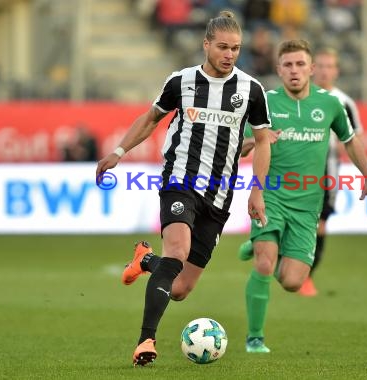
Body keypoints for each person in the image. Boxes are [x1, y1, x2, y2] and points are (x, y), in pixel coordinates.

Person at [95, 11, 271, 366]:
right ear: (206, 44)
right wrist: (118, 152)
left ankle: (145, 259)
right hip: (180, 180)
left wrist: (257, 190)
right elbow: (150, 119)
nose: (229, 54)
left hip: (220, 194)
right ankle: (146, 341)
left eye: (235, 48)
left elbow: (263, 142)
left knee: (179, 289)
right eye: (222, 47)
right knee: (177, 251)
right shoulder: (181, 82)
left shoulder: (251, 90)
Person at [238, 39, 367, 353]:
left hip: (307, 203)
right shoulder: (266, 102)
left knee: (292, 282)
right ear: (278, 69)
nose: (294, 70)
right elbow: (242, 146)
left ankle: (260, 245)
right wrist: (260, 140)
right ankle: (255, 338)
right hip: (270, 195)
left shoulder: (330, 104)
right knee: (264, 264)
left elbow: (351, 141)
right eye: (287, 65)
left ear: (312, 69)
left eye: (300, 64)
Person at [297, 47, 365, 297]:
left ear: (336, 71)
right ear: (313, 69)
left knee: (320, 223)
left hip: (327, 171)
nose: (325, 71)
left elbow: (356, 137)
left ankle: (306, 277)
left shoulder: (344, 102)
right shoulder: (299, 96)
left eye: (330, 66)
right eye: (321, 66)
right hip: (293, 169)